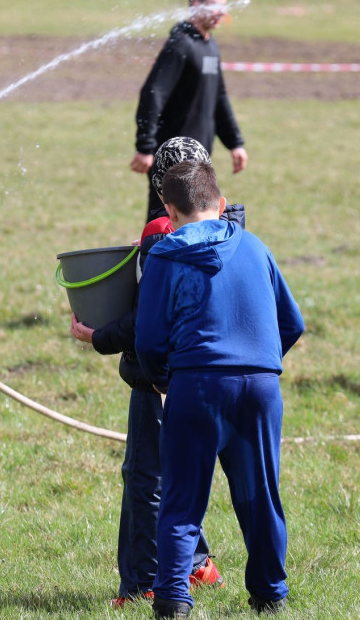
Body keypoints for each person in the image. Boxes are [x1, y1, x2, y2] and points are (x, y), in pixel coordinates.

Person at [135, 161, 304, 618]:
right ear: (223, 205)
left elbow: (148, 341)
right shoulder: (256, 247)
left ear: (168, 211)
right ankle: (271, 593)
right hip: (260, 388)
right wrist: (260, 364)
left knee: (183, 499)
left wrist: (164, 379)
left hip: (197, 387)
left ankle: (172, 597)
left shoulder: (164, 256)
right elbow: (293, 323)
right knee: (261, 495)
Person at [70, 138, 225, 608]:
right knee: (181, 474)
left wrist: (96, 335)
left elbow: (147, 321)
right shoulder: (229, 224)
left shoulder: (161, 233)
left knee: (145, 479)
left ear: (163, 190)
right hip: (214, 376)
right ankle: (198, 564)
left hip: (159, 380)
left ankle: (142, 584)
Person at [131, 0, 248, 221]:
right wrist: (145, 146)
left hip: (199, 157)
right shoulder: (180, 44)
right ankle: (151, 260)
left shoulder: (209, 46)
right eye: (215, 6)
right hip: (171, 156)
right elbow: (153, 92)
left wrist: (235, 142)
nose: (221, 13)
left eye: (223, 7)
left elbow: (219, 97)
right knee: (163, 223)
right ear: (196, 5)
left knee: (197, 223)